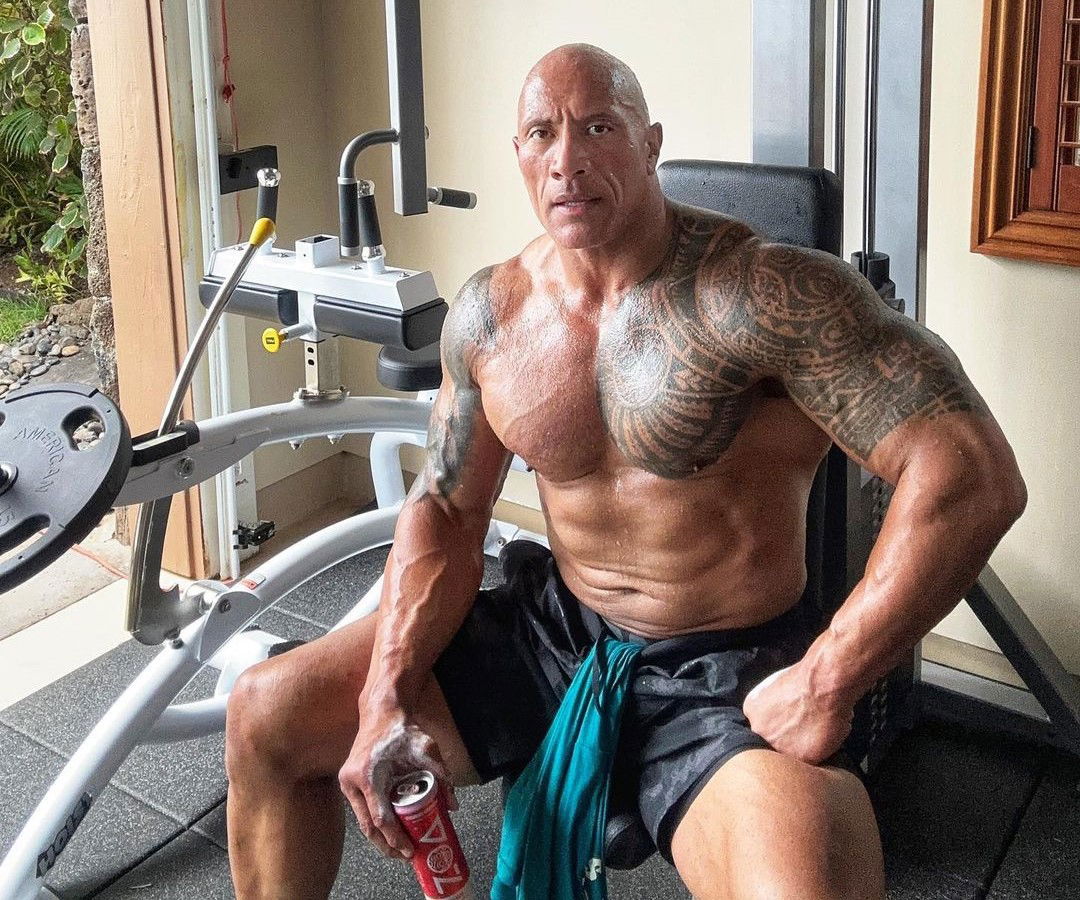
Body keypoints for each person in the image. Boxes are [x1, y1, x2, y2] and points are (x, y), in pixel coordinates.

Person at [224, 43, 1027, 899]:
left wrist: (829, 677)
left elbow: (971, 474)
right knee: (265, 714)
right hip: (554, 632)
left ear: (651, 145)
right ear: (519, 155)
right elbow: (449, 512)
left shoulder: (762, 296)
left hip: (723, 668)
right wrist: (385, 691)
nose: (567, 160)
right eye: (543, 134)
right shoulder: (493, 313)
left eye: (598, 127)